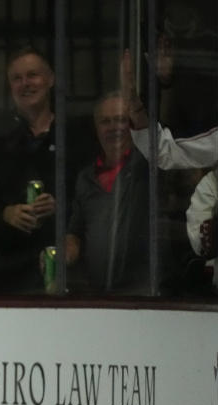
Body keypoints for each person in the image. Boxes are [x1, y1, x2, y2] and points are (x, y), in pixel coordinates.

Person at [0, 46, 90, 294]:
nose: (25, 84)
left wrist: (60, 205)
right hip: (5, 271)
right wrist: (5, 213)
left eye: (33, 75)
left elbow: (93, 195)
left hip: (62, 269)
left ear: (51, 79)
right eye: (17, 78)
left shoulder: (76, 137)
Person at [65, 92, 152, 295]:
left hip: (144, 295)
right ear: (96, 128)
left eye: (121, 120)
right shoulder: (86, 177)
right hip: (98, 296)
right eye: (106, 121)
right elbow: (75, 232)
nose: (115, 127)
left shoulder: (148, 167)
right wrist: (65, 252)